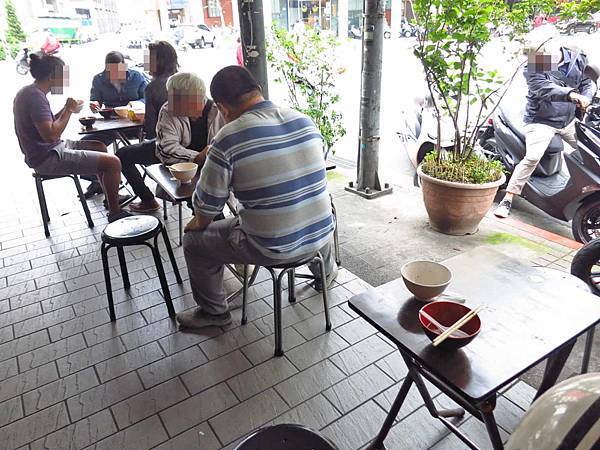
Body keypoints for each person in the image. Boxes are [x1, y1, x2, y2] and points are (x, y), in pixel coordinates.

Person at [176, 66, 337, 329]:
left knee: (193, 241)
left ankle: (215, 313)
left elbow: (207, 207)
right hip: (321, 234)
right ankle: (325, 274)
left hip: (271, 247)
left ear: (222, 108)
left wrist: (197, 223)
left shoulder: (227, 138)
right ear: (258, 91)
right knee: (309, 207)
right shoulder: (303, 120)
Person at [13, 52, 130, 223]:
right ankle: (115, 212)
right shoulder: (35, 97)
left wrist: (67, 108)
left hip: (48, 150)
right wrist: (68, 110)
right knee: (113, 162)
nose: (64, 81)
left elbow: (48, 124)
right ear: (52, 76)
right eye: (63, 76)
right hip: (47, 157)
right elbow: (50, 134)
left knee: (98, 146)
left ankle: (110, 197)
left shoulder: (31, 92)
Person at [494, 37, 594, 218]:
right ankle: (508, 198)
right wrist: (571, 95)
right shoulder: (534, 65)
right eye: (537, 57)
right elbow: (543, 88)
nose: (541, 60)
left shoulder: (577, 57)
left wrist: (586, 97)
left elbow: (587, 83)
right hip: (541, 120)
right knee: (532, 157)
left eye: (543, 55)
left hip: (568, 121)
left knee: (592, 148)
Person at [116, 72, 222, 212]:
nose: (171, 101)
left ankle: (211, 218)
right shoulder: (169, 108)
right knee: (122, 155)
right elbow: (167, 148)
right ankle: (148, 200)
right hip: (174, 157)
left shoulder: (219, 111)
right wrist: (198, 157)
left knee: (199, 197)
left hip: (209, 165)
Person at [83, 51, 149, 198]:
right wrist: (94, 104)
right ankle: (98, 180)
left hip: (134, 122)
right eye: (111, 72)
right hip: (110, 123)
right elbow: (95, 100)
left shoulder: (136, 76)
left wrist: (136, 103)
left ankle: (110, 182)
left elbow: (147, 97)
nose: (115, 75)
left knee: (127, 154)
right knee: (87, 143)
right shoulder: (99, 79)